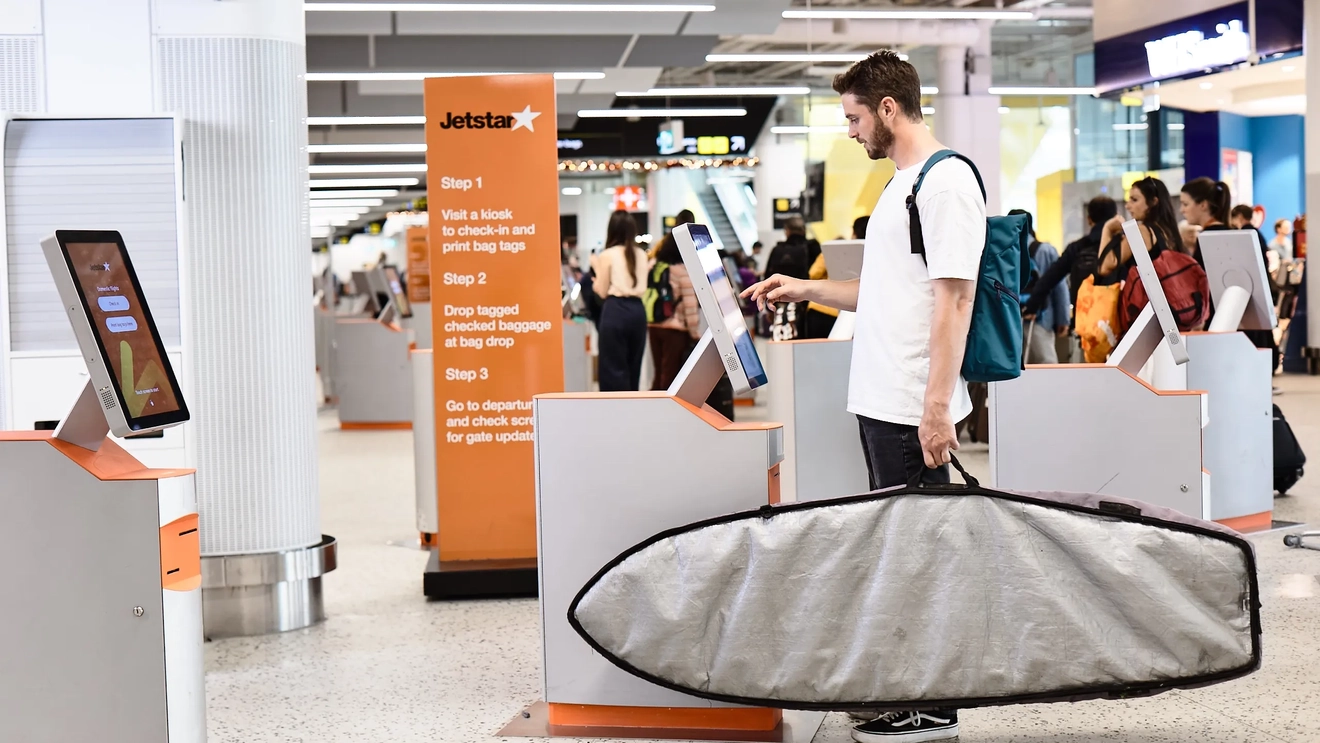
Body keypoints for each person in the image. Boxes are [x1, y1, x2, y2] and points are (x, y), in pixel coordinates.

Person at [743, 50, 983, 743]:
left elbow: (954, 298)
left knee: (918, 553)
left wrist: (936, 405)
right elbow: (884, 291)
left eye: (853, 117)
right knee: (899, 548)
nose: (850, 132)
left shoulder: (943, 184)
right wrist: (807, 289)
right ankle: (909, 689)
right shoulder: (900, 184)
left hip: (912, 405)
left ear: (887, 108)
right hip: (885, 401)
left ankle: (930, 706)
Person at [1183, 182, 1279, 372]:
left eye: (1186, 204)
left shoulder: (1210, 240)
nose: (1182, 210)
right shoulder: (1229, 234)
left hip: (1224, 324)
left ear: (1203, 205)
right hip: (1240, 327)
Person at [1022, 195, 1117, 335]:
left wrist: (1032, 306)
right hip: (1116, 317)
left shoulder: (1077, 248)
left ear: (1089, 219)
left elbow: (1050, 278)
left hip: (1085, 318)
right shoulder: (1122, 246)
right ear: (1115, 217)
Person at [591, 210, 649, 391]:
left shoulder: (607, 254)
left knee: (612, 369)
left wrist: (595, 268)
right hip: (638, 312)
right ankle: (631, 414)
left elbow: (601, 291)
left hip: (615, 311)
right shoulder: (641, 254)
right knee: (634, 367)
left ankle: (614, 415)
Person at [1009, 209, 1069, 364]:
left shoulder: (1005, 250)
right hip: (1041, 317)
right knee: (1047, 363)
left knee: (1013, 364)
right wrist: (1063, 319)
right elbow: (1059, 286)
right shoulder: (1044, 250)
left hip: (1011, 317)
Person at [647, 231, 700, 390]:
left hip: (653, 326)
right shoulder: (682, 271)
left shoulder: (654, 266)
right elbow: (690, 305)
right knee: (671, 376)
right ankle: (665, 411)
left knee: (659, 373)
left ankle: (653, 408)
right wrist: (695, 333)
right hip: (675, 329)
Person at [803, 215, 869, 339]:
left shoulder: (835, 251)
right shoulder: (878, 254)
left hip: (825, 307)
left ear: (854, 232)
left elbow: (813, 273)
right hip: (852, 312)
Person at [764, 217, 815, 339]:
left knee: (782, 341)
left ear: (787, 231)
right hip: (807, 303)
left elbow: (768, 279)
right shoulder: (813, 248)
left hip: (780, 303)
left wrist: (769, 308)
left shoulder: (777, 250)